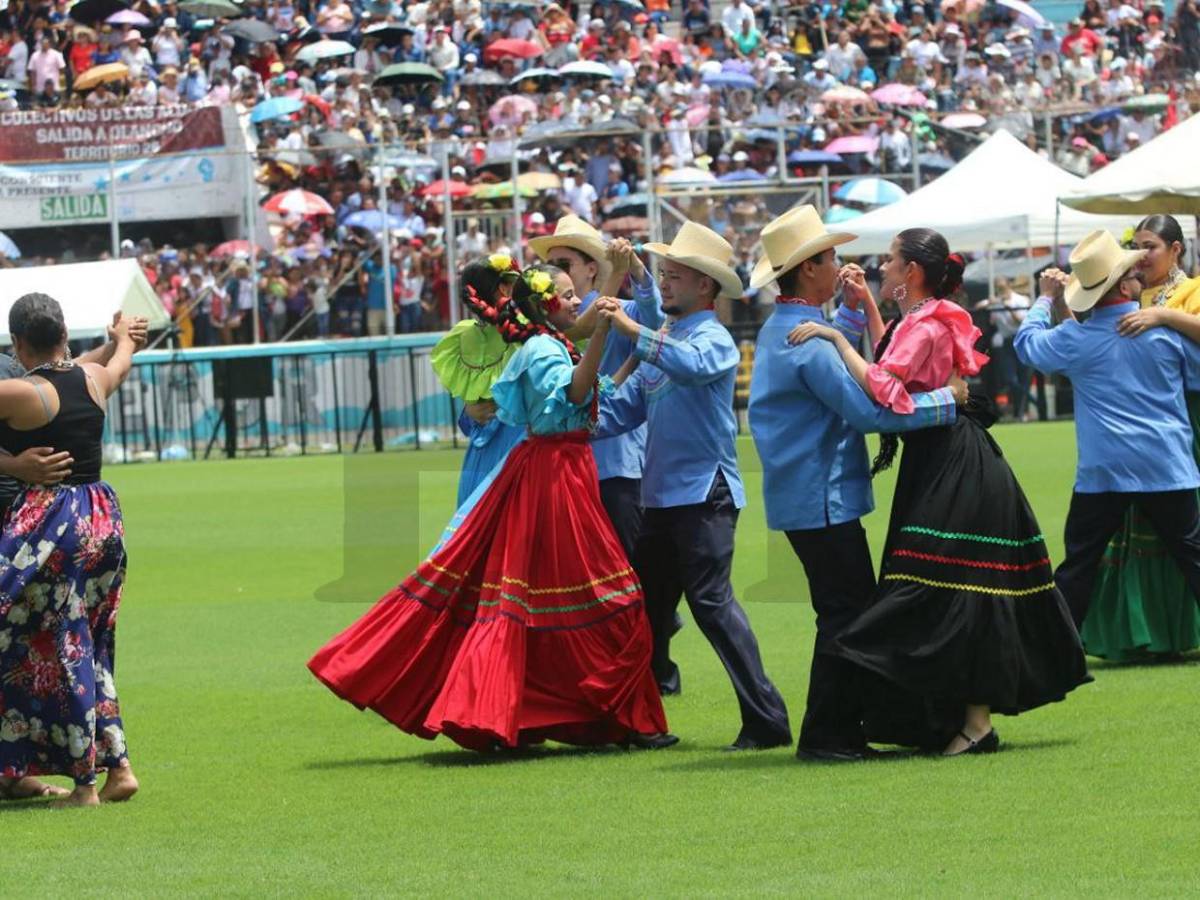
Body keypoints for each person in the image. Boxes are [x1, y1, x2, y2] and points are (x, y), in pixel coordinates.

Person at [309, 267, 674, 752]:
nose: (575, 303)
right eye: (566, 297)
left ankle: (568, 717)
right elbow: (574, 396)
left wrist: (630, 358)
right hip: (553, 476)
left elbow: (593, 396)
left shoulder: (548, 345)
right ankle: (613, 718)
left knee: (550, 599)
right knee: (608, 596)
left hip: (561, 469)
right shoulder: (544, 349)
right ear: (545, 306)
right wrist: (606, 327)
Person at [792, 228, 1089, 756]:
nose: (880, 268)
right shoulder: (923, 319)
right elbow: (901, 364)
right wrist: (864, 309)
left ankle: (969, 724)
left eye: (889, 261)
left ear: (911, 273)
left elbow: (886, 386)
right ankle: (966, 721)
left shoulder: (927, 323)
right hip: (945, 460)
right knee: (952, 590)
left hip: (952, 463)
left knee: (945, 589)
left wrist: (836, 337)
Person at [747, 207, 964, 762]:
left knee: (845, 612)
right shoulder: (807, 343)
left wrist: (846, 314)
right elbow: (869, 414)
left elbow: (832, 365)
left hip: (807, 496)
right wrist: (947, 402)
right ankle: (829, 734)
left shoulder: (785, 330)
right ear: (809, 270)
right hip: (823, 499)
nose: (840, 264)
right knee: (846, 615)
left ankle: (850, 727)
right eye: (830, 257)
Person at [596, 222, 792, 750]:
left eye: (675, 277)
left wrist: (635, 335)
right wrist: (564, 406)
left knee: (709, 605)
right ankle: (639, 719)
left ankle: (767, 719)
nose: (664, 284)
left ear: (706, 286)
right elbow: (617, 411)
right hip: (664, 498)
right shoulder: (669, 339)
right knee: (646, 610)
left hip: (705, 494)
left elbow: (696, 365)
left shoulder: (710, 338)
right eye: (663, 275)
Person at [1015, 229, 1200, 639]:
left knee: (1079, 563)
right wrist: (1168, 316)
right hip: (1166, 463)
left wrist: (1046, 298)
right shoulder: (1162, 333)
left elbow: (1026, 344)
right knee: (1194, 556)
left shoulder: (1074, 338)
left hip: (1106, 471)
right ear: (1123, 283)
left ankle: (1057, 650)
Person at [0, 295, 142, 807]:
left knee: (62, 647)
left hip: (51, 526)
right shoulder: (92, 380)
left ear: (17, 344)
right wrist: (122, 335)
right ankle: (116, 765)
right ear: (63, 333)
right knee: (90, 644)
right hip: (101, 518)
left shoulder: (20, 393)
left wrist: (14, 465)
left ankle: (83, 785)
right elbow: (116, 357)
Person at [1076, 216, 1200, 659]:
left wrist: (1165, 315)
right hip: (1144, 427)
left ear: (1176, 250)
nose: (1143, 255)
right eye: (1137, 246)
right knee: (1136, 535)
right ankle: (1144, 634)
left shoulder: (1191, 291)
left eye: (1151, 246)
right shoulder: (1130, 292)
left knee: (1183, 536)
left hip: (1186, 420)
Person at [529, 217, 664, 559]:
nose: (554, 273)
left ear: (591, 269)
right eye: (550, 266)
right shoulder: (542, 324)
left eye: (563, 264)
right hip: (566, 468)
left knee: (632, 570)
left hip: (613, 464)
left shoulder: (620, 309)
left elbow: (657, 323)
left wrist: (637, 271)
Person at [431, 255, 527, 506]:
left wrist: (470, 413)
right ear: (505, 289)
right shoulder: (527, 330)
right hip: (520, 446)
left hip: (482, 453)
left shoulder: (462, 336)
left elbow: (468, 416)